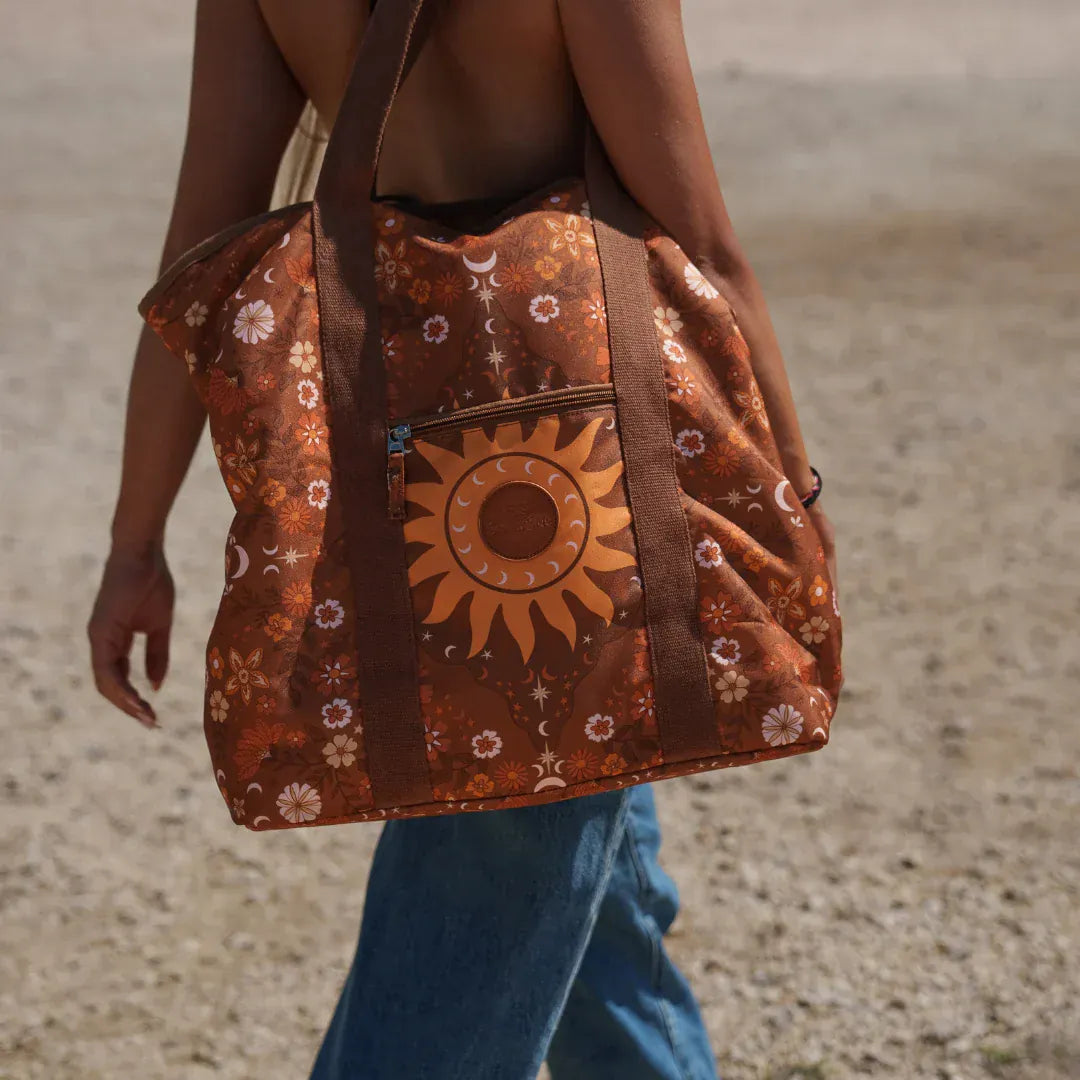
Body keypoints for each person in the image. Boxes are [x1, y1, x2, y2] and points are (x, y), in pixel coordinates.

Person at [88, 1, 838, 1077]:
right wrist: (795, 492)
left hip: (409, 483)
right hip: (583, 479)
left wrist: (135, 545)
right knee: (494, 879)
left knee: (572, 830)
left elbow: (191, 278)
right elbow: (704, 243)